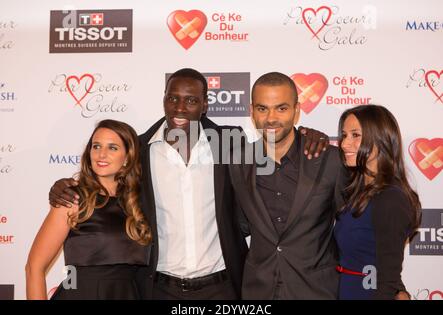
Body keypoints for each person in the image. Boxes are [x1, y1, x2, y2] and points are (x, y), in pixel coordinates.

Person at [48, 68, 328, 300]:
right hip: (158, 288)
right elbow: (107, 184)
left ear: (205, 104)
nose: (180, 108)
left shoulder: (231, 144)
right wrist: (65, 187)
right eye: (173, 99)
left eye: (191, 101)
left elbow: (277, 143)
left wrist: (308, 135)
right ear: (164, 100)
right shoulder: (140, 150)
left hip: (222, 287)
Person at [229, 72, 347, 299]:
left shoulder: (330, 160)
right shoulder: (237, 162)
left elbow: (352, 226)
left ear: (297, 110)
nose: (271, 118)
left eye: (281, 108)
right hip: (259, 291)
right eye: (263, 109)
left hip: (316, 290)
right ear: (251, 111)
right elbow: (238, 224)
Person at [26, 119, 151, 300]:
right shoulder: (72, 199)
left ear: (127, 158)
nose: (101, 154)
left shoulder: (140, 203)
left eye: (112, 148)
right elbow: (34, 267)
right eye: (96, 146)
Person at [334, 104, 421, 300]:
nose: (344, 144)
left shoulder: (391, 198)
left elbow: (387, 280)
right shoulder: (357, 192)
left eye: (355, 135)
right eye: (344, 135)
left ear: (381, 139)